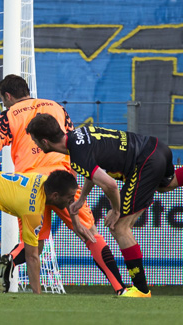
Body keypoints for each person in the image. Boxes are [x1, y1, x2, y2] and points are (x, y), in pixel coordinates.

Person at [0, 75, 126, 295]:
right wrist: (75, 178)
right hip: (61, 182)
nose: (3, 104)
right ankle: (120, 288)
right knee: (90, 233)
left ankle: (10, 259)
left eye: (2, 100)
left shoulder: (8, 115)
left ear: (7, 96)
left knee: (35, 242)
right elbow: (73, 143)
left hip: (28, 186)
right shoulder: (56, 108)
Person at [26, 113, 183, 298]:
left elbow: (110, 184)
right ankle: (140, 288)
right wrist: (83, 198)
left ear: (44, 142)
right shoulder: (77, 136)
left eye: (35, 141)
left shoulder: (77, 155)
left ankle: (141, 290)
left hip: (145, 162)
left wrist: (116, 210)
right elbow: (94, 170)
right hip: (156, 148)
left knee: (119, 227)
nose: (35, 145)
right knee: (166, 185)